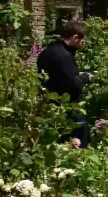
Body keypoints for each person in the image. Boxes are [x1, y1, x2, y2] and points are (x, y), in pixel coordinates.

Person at [36, 19, 91, 147]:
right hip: (68, 105)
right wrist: (86, 77)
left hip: (50, 102)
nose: (83, 45)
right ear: (75, 37)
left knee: (56, 140)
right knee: (77, 141)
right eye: (82, 41)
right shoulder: (64, 56)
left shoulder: (47, 50)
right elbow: (74, 83)